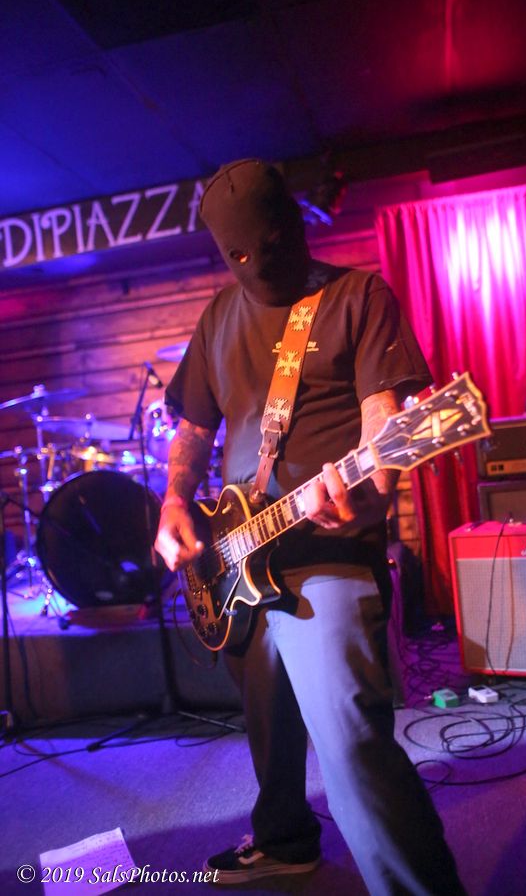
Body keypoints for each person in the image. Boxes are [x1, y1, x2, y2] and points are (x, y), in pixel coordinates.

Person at [154, 158, 466, 895]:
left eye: (271, 245)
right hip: (235, 557)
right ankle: (285, 841)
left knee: (352, 747)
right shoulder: (218, 317)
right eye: (240, 255)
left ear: (295, 225)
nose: (260, 264)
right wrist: (173, 502)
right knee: (268, 727)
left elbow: (385, 425)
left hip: (328, 550)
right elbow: (194, 427)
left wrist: (369, 487)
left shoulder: (356, 297)